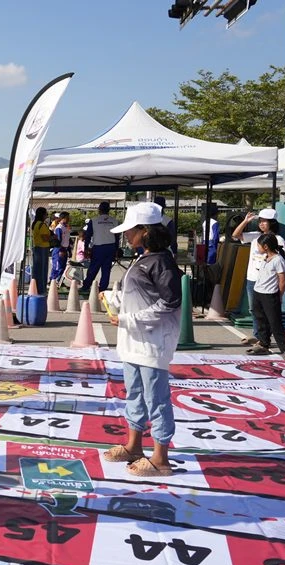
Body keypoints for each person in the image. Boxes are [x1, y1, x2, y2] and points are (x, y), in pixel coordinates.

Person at [101, 202, 182, 477]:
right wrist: (114, 300)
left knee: (156, 399)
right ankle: (134, 445)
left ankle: (161, 458)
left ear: (145, 231)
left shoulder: (161, 262)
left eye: (130, 230)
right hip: (134, 342)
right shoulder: (143, 258)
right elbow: (137, 295)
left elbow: (170, 302)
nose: (126, 235)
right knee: (135, 393)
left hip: (152, 343)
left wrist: (129, 319)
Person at [231, 208, 285, 345]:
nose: (261, 224)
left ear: (272, 223)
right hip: (252, 278)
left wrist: (279, 288)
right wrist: (245, 221)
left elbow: (281, 263)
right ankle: (259, 336)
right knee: (254, 310)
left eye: (265, 221)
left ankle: (266, 338)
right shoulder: (255, 236)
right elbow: (235, 235)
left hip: (268, 282)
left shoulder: (279, 240)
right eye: (260, 221)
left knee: (269, 311)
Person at [248, 233, 285, 360]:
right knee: (260, 319)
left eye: (258, 245)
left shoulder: (278, 260)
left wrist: (279, 295)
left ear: (265, 246)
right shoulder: (265, 258)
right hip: (258, 292)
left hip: (270, 295)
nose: (257, 247)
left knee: (275, 322)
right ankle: (263, 344)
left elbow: (283, 280)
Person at [81, 202, 118, 293]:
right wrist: (116, 249)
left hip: (98, 248)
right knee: (106, 270)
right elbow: (117, 237)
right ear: (109, 210)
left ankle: (86, 286)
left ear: (99, 210)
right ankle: (102, 289)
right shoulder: (115, 221)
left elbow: (88, 236)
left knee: (93, 268)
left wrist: (86, 248)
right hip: (111, 247)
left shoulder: (93, 221)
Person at [30, 207, 53, 295]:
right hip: (43, 248)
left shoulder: (35, 224)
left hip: (37, 247)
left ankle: (35, 288)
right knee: (42, 270)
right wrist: (53, 237)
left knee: (37, 270)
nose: (47, 216)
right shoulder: (42, 225)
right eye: (46, 214)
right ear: (42, 215)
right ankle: (42, 289)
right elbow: (45, 238)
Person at [49, 212, 71, 285]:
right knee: (57, 266)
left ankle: (58, 281)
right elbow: (58, 240)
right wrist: (61, 250)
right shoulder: (59, 228)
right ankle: (52, 281)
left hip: (65, 249)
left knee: (63, 267)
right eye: (67, 218)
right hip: (59, 250)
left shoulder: (66, 227)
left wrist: (69, 250)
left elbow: (67, 239)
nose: (69, 219)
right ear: (63, 218)